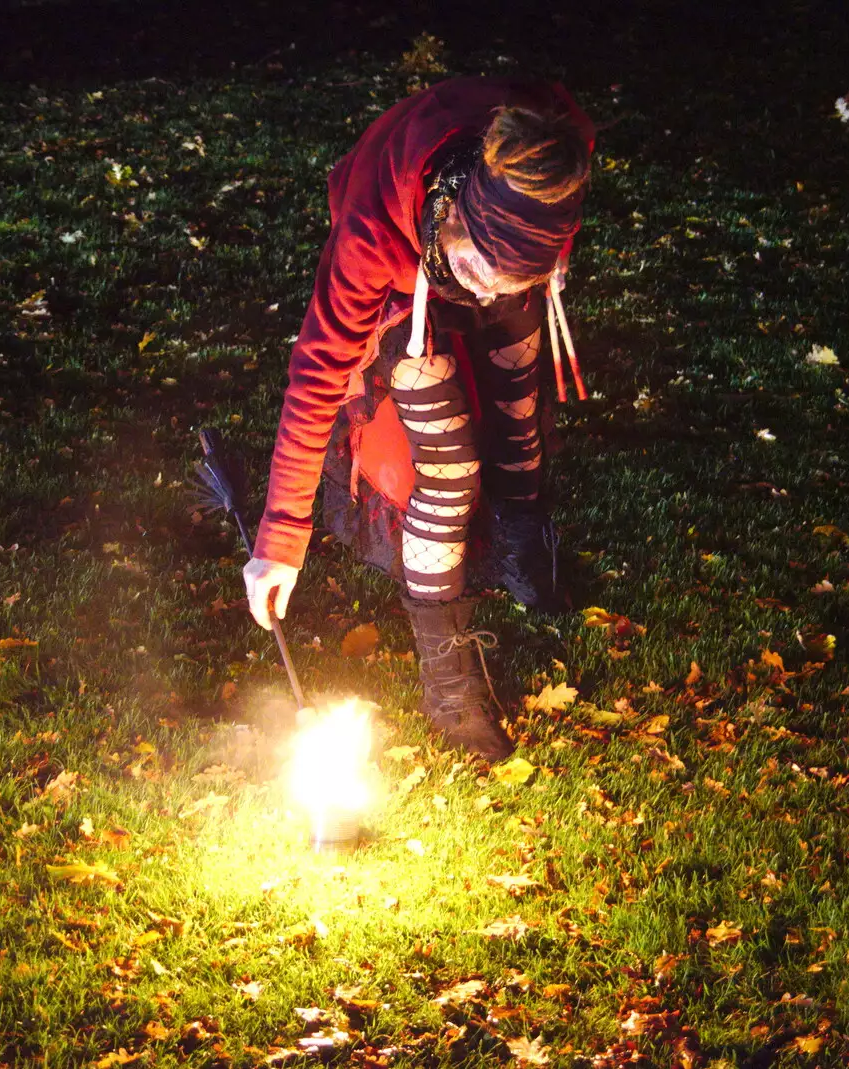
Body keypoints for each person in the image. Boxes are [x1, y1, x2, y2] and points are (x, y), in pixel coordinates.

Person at [241, 77, 594, 759]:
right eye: (476, 270)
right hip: (411, 282)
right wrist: (279, 539)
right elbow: (315, 372)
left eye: (506, 281)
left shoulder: (553, 167)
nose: (486, 293)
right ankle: (451, 685)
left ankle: (527, 557)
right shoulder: (374, 229)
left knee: (517, 421)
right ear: (452, 219)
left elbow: (521, 237)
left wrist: (514, 277)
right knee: (449, 465)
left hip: (499, 246)